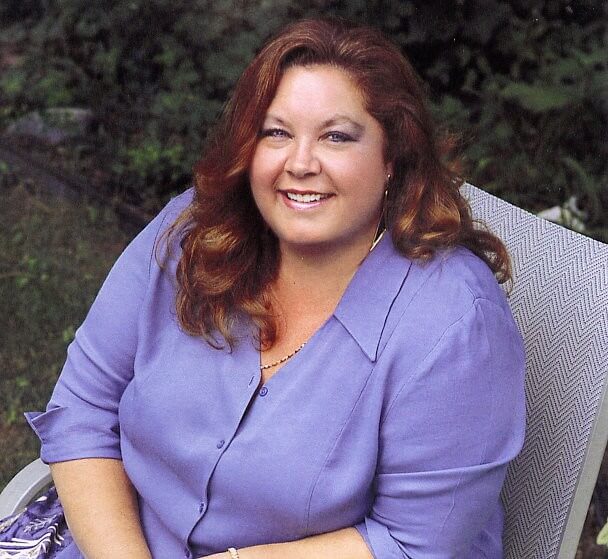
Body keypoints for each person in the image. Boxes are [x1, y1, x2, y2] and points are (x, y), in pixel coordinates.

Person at [11, 17, 525, 559]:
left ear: (391, 158)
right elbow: (85, 409)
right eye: (276, 133)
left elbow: (412, 544)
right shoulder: (193, 233)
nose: (300, 164)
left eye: (336, 136)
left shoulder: (453, 325)